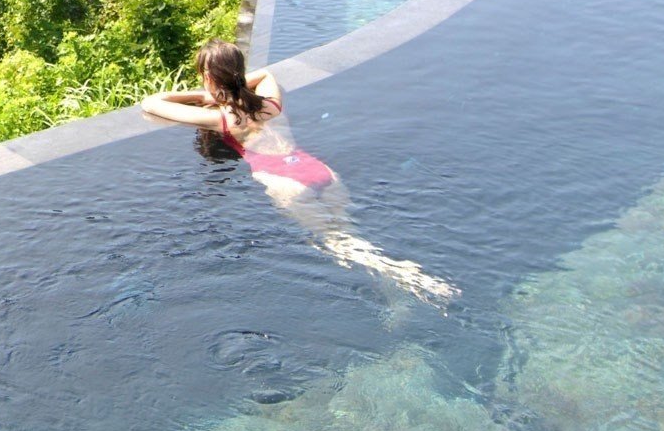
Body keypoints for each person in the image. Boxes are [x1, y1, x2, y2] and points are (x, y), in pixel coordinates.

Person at [142, 40, 457, 304]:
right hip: (316, 170)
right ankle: (393, 291)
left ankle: (415, 280)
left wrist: (205, 97)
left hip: (284, 183)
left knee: (339, 245)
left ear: (209, 78)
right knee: (351, 234)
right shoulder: (269, 106)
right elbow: (265, 73)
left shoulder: (224, 119)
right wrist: (232, 86)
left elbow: (152, 103)